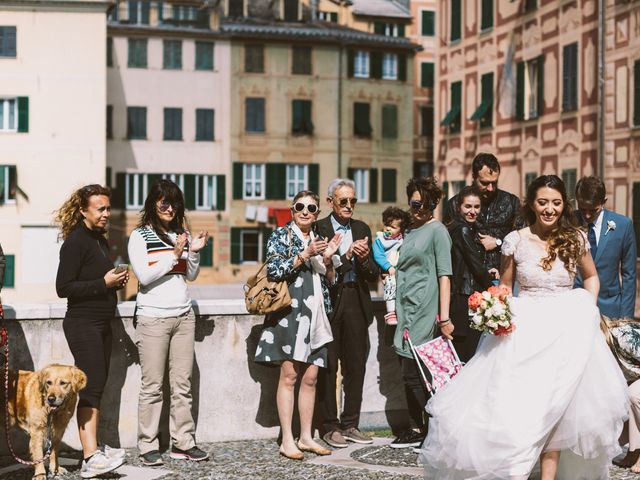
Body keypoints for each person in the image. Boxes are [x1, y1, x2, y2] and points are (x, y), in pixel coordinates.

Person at [421, 175, 628, 479]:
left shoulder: (576, 238)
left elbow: (591, 277)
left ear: (563, 204)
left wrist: (587, 307)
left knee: (559, 405)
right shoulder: (515, 240)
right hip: (525, 331)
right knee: (520, 405)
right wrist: (494, 309)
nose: (549, 209)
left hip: (566, 331)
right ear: (532, 203)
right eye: (543, 202)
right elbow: (505, 286)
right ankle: (514, 468)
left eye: (556, 203)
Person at [128, 179, 210, 466]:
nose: (169, 207)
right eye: (163, 202)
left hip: (183, 316)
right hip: (152, 318)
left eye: (174, 203)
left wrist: (194, 251)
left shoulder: (181, 233)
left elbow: (190, 275)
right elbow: (145, 275)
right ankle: (147, 444)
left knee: (182, 385)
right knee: (152, 386)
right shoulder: (139, 236)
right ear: (153, 203)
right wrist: (174, 254)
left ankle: (183, 442)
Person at [255, 190, 342, 460]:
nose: (306, 211)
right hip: (289, 314)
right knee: (290, 375)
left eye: (311, 208)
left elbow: (331, 281)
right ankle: (287, 439)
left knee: (312, 378)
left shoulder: (320, 239)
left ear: (317, 213)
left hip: (316, 314)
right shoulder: (281, 236)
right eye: (300, 207)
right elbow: (274, 271)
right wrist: (304, 255)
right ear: (292, 210)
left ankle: (306, 437)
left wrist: (328, 260)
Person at [55, 184, 127, 478]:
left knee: (97, 385)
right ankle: (89, 458)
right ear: (83, 210)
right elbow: (63, 288)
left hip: (101, 322)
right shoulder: (76, 242)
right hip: (83, 323)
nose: (106, 214)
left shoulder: (99, 240)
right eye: (100, 209)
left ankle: (94, 449)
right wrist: (104, 284)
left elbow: (95, 278)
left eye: (108, 208)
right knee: (90, 387)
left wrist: (113, 283)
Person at [316, 178, 380, 448]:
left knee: (356, 364)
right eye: (343, 201)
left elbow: (373, 274)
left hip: (356, 299)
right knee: (328, 366)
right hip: (330, 301)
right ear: (331, 202)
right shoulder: (319, 228)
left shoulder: (362, 228)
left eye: (353, 201)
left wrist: (364, 259)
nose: (349, 205)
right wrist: (348, 257)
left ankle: (351, 423)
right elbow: (320, 270)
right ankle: (329, 426)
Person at [390, 177, 452, 450]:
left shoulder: (437, 231)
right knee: (409, 370)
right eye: (415, 203)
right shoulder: (411, 230)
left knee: (418, 372)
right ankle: (420, 428)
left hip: (425, 307)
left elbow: (444, 276)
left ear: (434, 204)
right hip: (406, 308)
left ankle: (433, 430)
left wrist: (445, 317)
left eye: (427, 204)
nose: (420, 208)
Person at [443, 153, 520, 273]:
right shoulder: (455, 204)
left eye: (494, 182)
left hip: (502, 276)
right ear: (473, 177)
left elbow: (522, 238)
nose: (490, 188)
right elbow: (447, 244)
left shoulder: (512, 202)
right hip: (466, 280)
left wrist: (498, 242)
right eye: (484, 183)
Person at [574, 176, 637, 319]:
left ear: (603, 202)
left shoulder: (623, 225)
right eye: (582, 209)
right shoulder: (568, 222)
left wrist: (626, 318)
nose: (587, 215)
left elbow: (629, 275)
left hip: (609, 309)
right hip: (573, 307)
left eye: (593, 210)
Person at [447, 186, 497, 363]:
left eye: (477, 207)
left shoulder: (458, 227)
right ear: (459, 206)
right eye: (468, 206)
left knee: (462, 355)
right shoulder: (463, 229)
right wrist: (495, 291)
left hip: (460, 296)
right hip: (464, 297)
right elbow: (475, 266)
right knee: (467, 356)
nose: (473, 211)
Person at [372, 206, 411, 326]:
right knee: (390, 286)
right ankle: (390, 312)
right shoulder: (380, 240)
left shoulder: (404, 239)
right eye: (387, 225)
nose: (388, 229)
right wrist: (388, 267)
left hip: (402, 272)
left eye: (393, 227)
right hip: (389, 272)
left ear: (401, 230)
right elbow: (378, 256)